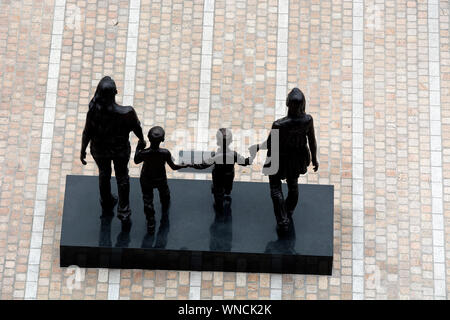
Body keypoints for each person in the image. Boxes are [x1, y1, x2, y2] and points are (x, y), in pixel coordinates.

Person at [249, 88, 318, 231]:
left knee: (275, 187)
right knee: (293, 185)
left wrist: (256, 147)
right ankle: (288, 210)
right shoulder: (308, 120)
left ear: (287, 104)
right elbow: (312, 141)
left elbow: (269, 143)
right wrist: (315, 159)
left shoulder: (279, 124)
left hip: (278, 158)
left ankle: (282, 219)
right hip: (298, 158)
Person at [80, 76, 146, 220]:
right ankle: (124, 209)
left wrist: (82, 149)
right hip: (120, 151)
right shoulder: (127, 112)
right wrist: (141, 140)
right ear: (115, 92)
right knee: (122, 176)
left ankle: (106, 200)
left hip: (99, 150)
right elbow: (137, 128)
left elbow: (87, 132)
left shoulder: (93, 112)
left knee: (104, 174)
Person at [134, 126, 188, 232]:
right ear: (162, 140)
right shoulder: (165, 153)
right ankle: (165, 207)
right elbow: (173, 166)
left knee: (147, 200)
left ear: (148, 138)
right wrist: (183, 165)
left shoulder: (144, 153)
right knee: (165, 194)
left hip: (146, 179)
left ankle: (151, 222)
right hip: (160, 178)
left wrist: (138, 148)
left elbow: (136, 160)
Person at [191, 128, 252, 212]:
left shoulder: (215, 156)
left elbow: (202, 165)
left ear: (218, 141)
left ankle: (219, 204)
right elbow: (244, 162)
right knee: (228, 186)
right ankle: (227, 192)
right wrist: (250, 159)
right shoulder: (233, 154)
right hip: (229, 175)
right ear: (230, 141)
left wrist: (190, 164)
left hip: (218, 177)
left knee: (218, 191)